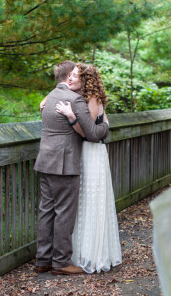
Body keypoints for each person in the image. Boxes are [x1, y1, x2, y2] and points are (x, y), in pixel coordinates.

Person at [34, 61, 109, 275]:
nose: (74, 78)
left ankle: (42, 260)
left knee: (46, 212)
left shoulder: (50, 97)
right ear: (68, 76)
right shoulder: (74, 100)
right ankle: (61, 262)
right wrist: (105, 124)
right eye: (73, 74)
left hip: (45, 160)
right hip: (64, 163)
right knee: (64, 214)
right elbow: (93, 134)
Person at [55, 63, 122, 273]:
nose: (71, 79)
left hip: (93, 154)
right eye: (70, 75)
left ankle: (94, 254)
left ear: (86, 80)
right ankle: (79, 251)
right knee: (81, 201)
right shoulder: (79, 98)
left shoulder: (92, 99)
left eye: (75, 76)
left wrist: (72, 116)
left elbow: (90, 133)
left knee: (91, 201)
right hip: (83, 152)